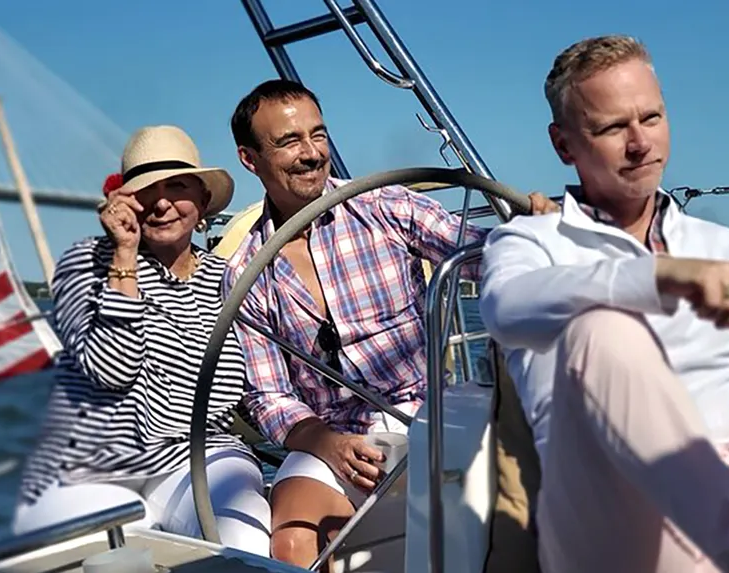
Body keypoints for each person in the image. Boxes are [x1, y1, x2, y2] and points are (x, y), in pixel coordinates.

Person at [479, 34, 729, 573]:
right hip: (615, 527)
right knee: (600, 333)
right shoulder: (531, 243)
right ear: (564, 145)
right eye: (613, 127)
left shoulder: (725, 250)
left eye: (651, 117)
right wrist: (661, 274)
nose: (641, 142)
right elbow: (504, 308)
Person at [220, 79, 561, 568]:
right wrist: (329, 445)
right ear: (249, 159)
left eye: (318, 135)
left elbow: (480, 256)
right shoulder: (247, 271)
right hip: (334, 434)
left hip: (431, 414)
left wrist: (539, 240)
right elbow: (268, 395)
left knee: (506, 517)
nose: (313, 153)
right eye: (289, 141)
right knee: (292, 544)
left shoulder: (386, 207)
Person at [12, 125, 271, 557]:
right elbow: (111, 371)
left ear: (203, 201)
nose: (162, 202)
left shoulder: (230, 280)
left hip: (201, 457)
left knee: (242, 544)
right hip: (96, 460)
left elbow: (257, 383)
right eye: (146, 190)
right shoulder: (86, 263)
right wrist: (125, 257)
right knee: (97, 550)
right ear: (122, 201)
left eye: (178, 186)